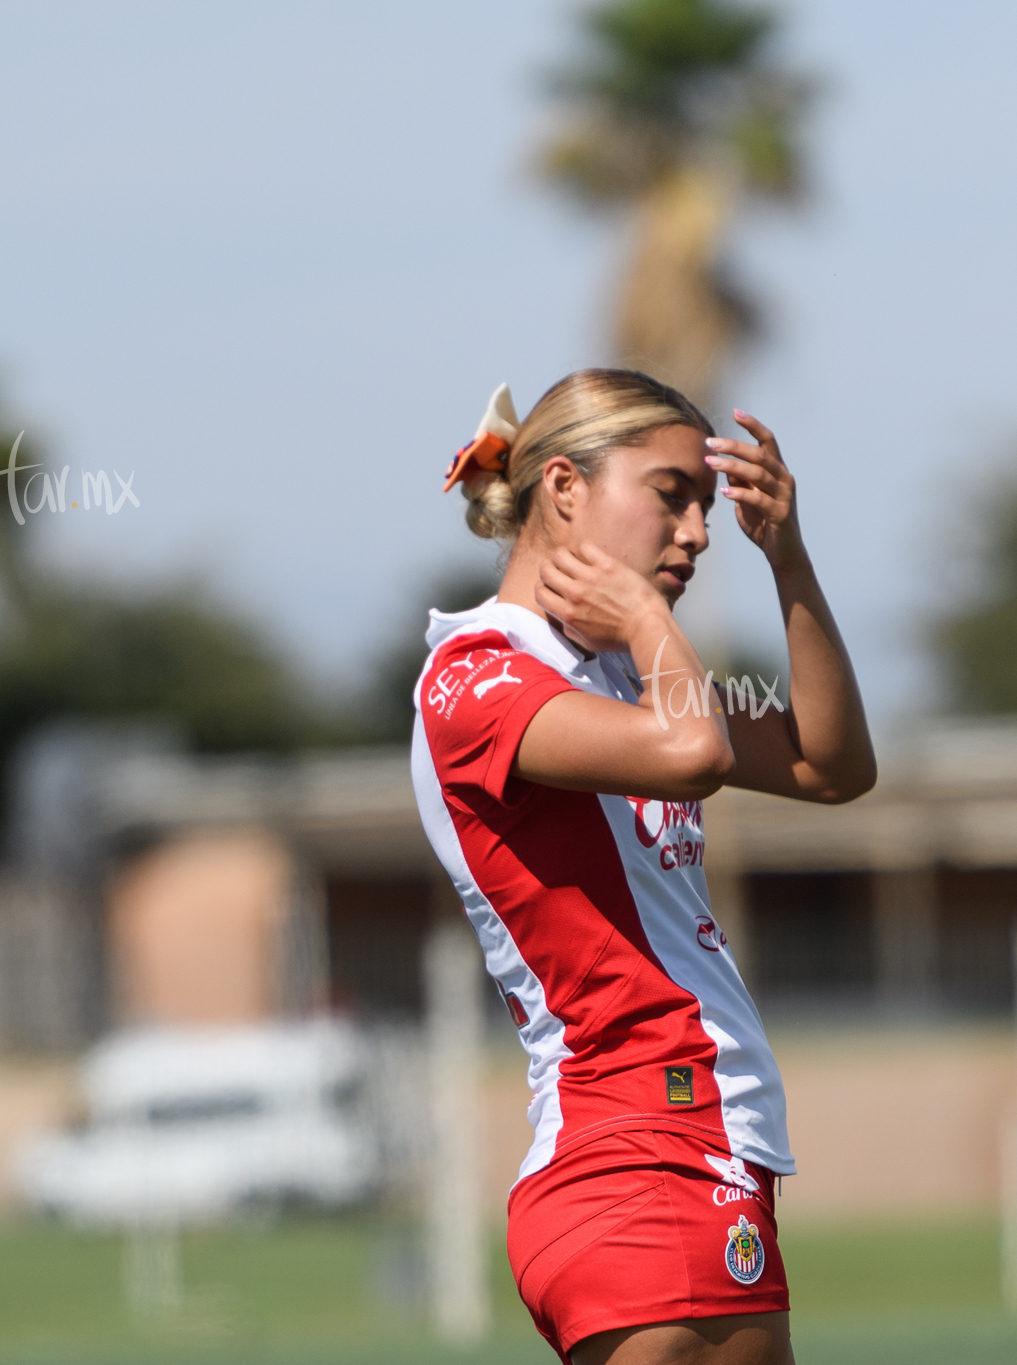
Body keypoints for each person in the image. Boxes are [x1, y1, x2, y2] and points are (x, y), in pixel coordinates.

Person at [410, 368, 875, 1365]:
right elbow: (694, 756)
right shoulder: (478, 672)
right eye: (670, 494)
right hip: (635, 1143)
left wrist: (787, 562)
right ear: (563, 489)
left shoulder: (624, 677)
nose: (699, 533)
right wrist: (649, 623)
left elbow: (832, 765)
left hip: (690, 1144)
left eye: (708, 505)